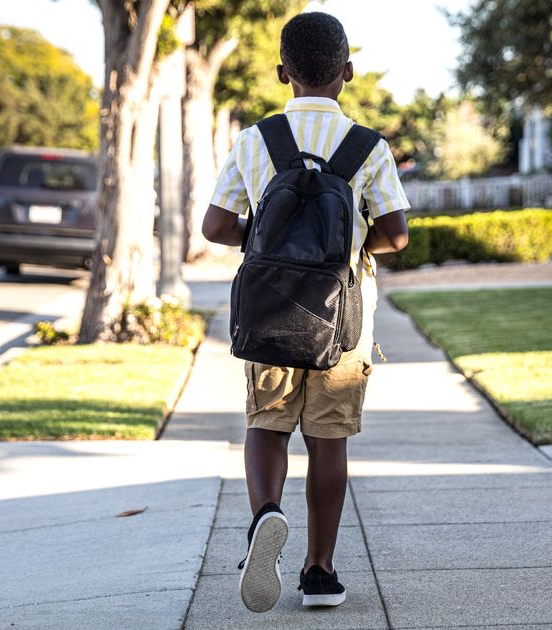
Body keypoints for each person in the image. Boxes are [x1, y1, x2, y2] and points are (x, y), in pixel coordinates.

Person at [201, 11, 410, 613]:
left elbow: (215, 225)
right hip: (341, 318)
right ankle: (319, 572)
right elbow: (396, 234)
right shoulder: (368, 147)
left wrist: (265, 240)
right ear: (347, 72)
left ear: (281, 73)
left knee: (266, 424)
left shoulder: (255, 140)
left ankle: (266, 514)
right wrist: (354, 247)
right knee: (328, 440)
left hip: (268, 313)